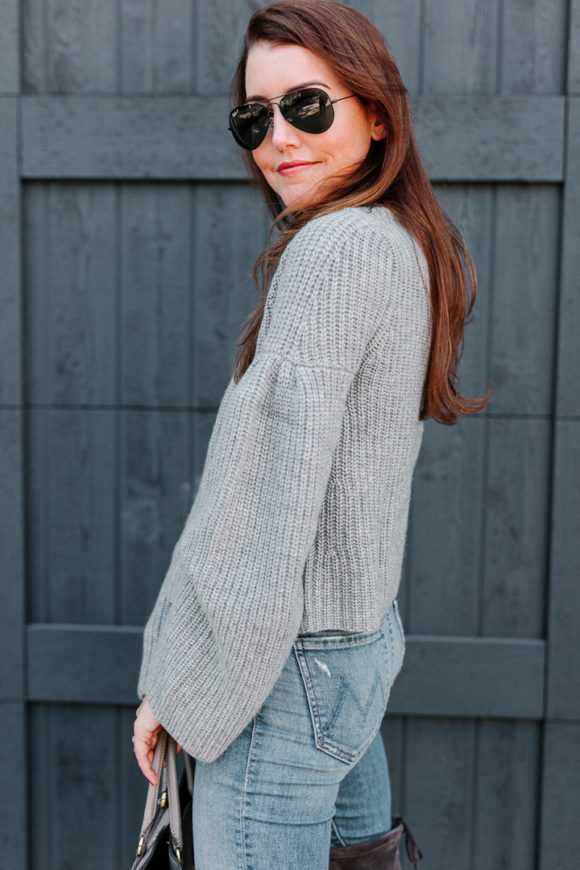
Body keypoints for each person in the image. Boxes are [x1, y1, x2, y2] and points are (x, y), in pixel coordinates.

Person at [133, 1, 492, 867]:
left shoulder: (335, 251)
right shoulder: (401, 241)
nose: (277, 139)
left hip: (283, 670)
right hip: (352, 649)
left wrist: (179, 689)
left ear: (376, 113)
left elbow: (264, 496)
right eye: (254, 117)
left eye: (307, 104)